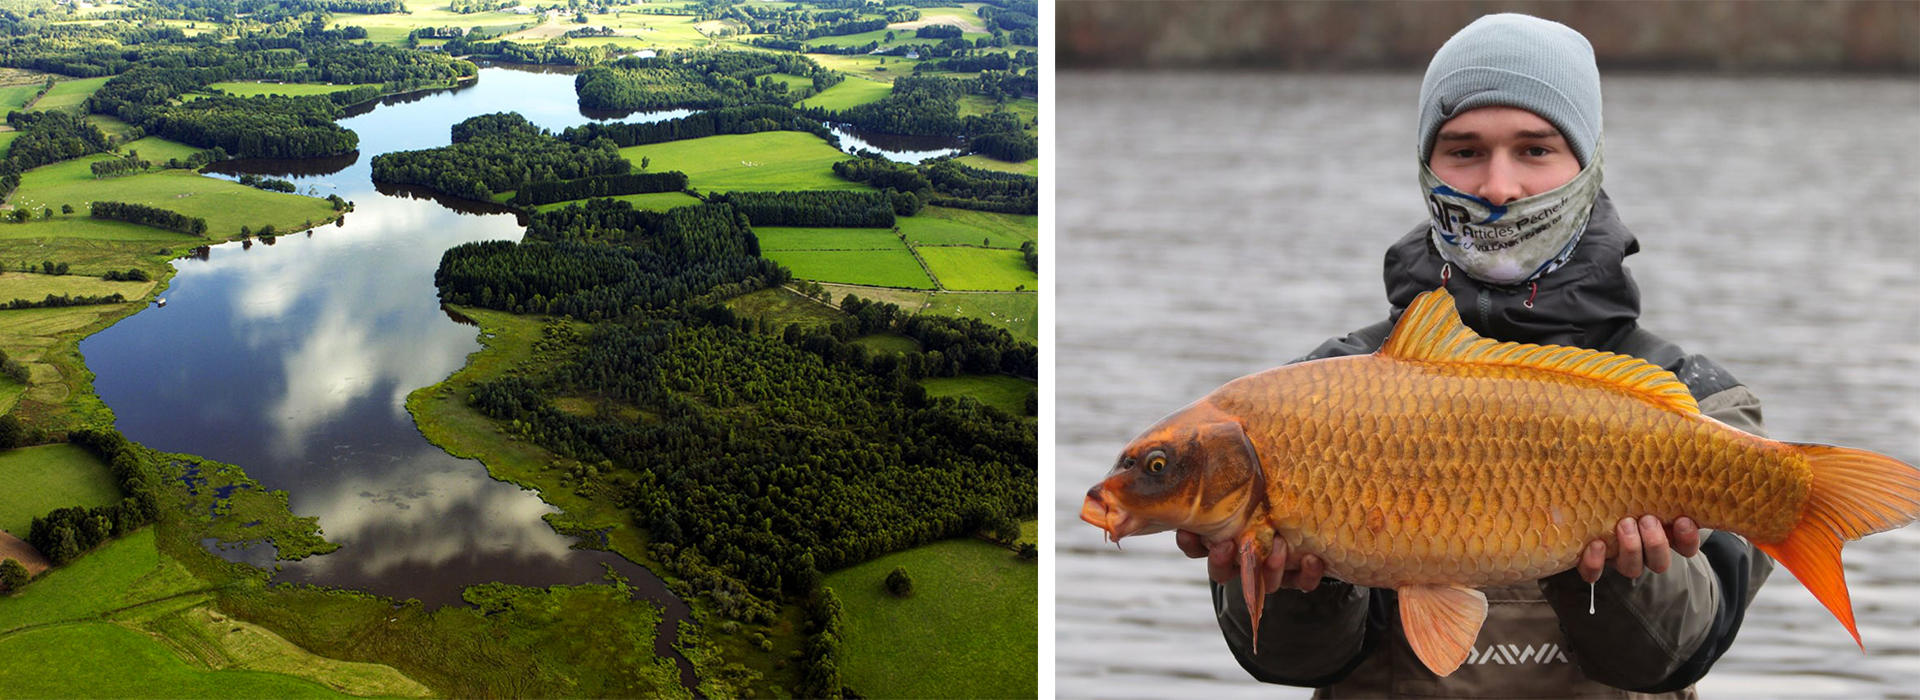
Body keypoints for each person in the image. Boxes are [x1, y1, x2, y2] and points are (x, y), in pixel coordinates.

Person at [1174, 14, 1775, 698]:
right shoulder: (1319, 391)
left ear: (1589, 163)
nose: (1497, 187)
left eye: (1535, 150)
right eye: (1463, 151)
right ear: (1426, 169)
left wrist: (1626, 573)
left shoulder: (1699, 399)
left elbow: (1681, 656)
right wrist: (1302, 580)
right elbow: (1287, 663)